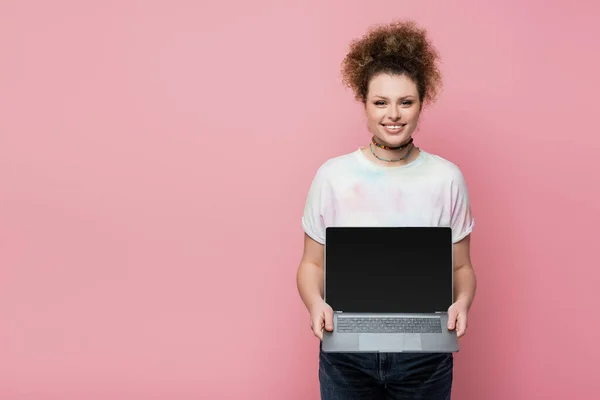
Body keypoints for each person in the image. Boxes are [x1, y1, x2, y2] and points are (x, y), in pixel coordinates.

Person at [296, 20, 477, 399]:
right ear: (363, 102)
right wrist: (315, 304)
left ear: (421, 103)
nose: (393, 114)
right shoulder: (332, 176)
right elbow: (312, 264)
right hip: (346, 353)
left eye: (405, 101)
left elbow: (461, 266)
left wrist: (461, 302)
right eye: (380, 102)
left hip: (424, 358)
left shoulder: (447, 178)